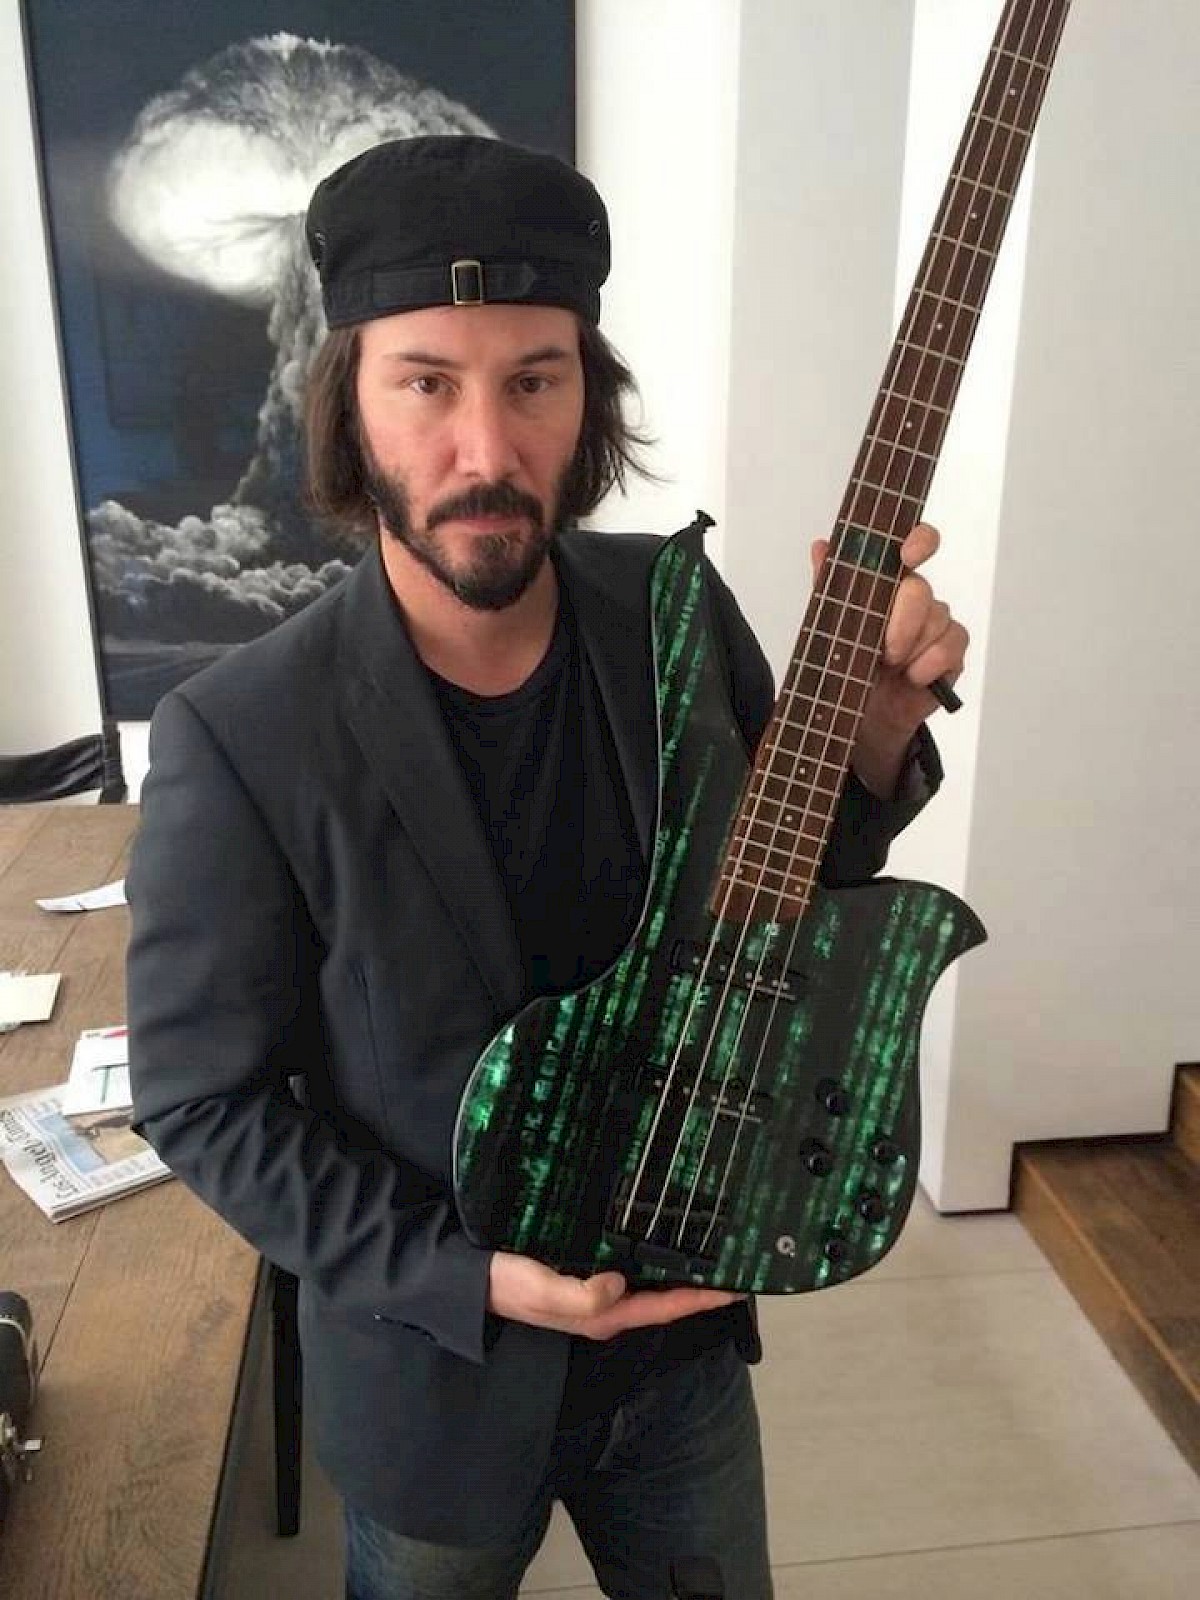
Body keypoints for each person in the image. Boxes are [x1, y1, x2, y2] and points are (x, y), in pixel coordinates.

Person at [127, 136, 967, 1600]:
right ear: (348, 406)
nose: (486, 450)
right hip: (438, 1379)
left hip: (684, 1340)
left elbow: (780, 910)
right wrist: (469, 1280)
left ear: (589, 397)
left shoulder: (671, 608)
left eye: (534, 379)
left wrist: (881, 724)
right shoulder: (243, 734)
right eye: (426, 384)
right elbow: (204, 1100)